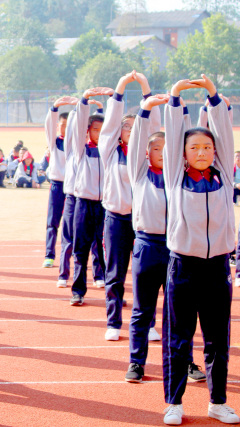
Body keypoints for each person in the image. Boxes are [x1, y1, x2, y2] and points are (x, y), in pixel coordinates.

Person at [161, 75, 239, 426]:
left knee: (217, 339)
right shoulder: (176, 175)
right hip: (184, 267)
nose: (203, 151)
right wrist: (175, 97)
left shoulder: (223, 174)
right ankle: (174, 402)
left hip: (217, 267)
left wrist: (213, 96)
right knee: (179, 339)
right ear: (183, 154)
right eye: (195, 148)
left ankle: (217, 401)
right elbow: (174, 134)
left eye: (207, 147)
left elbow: (223, 129)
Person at [124, 93, 206, 385]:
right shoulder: (139, 173)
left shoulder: (179, 176)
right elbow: (135, 144)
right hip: (147, 246)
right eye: (155, 148)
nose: (161, 152)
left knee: (180, 312)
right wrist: (145, 110)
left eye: (166, 148)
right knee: (142, 309)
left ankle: (185, 361)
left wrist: (181, 109)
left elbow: (184, 135)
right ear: (147, 153)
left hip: (177, 247)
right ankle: (136, 362)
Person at [98, 71, 150, 341]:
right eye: (126, 127)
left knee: (145, 275)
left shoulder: (147, 156)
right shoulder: (110, 152)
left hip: (143, 223)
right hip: (117, 219)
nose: (130, 130)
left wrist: (145, 88)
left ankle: (147, 322)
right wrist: (119, 88)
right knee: (115, 273)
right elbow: (109, 124)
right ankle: (114, 321)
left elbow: (151, 121)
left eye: (134, 127)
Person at [69, 87, 111, 306]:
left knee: (107, 250)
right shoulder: (81, 149)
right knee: (81, 248)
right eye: (96, 129)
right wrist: (84, 100)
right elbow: (77, 125)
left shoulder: (111, 151)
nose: (100, 133)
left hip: (106, 205)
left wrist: (115, 99)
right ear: (88, 131)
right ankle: (78, 291)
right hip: (83, 204)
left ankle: (111, 291)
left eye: (104, 129)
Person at [42, 99, 74, 269]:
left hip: (72, 189)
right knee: (53, 222)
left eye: (68, 125)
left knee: (72, 225)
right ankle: (49, 255)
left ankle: (72, 254)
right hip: (56, 185)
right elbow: (49, 124)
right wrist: (55, 107)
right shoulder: (54, 143)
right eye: (62, 125)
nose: (65, 128)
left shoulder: (76, 145)